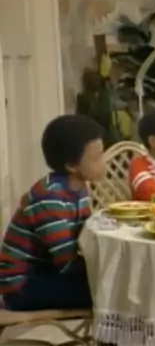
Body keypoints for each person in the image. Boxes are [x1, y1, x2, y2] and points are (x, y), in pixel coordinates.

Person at [0, 114, 106, 311]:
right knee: (109, 290)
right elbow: (67, 264)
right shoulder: (50, 197)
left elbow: (84, 235)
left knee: (112, 283)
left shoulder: (79, 187)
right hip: (23, 285)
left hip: (49, 271)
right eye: (97, 157)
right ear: (72, 166)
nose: (104, 161)